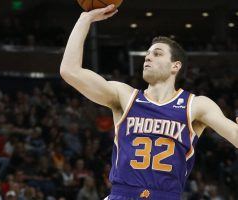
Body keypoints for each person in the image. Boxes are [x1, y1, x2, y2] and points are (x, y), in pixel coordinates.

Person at [59, 4, 238, 200]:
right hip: (121, 194)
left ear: (175, 66)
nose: (148, 57)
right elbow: (70, 71)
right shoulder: (125, 96)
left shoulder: (196, 105)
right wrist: (85, 19)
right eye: (147, 54)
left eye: (157, 54)